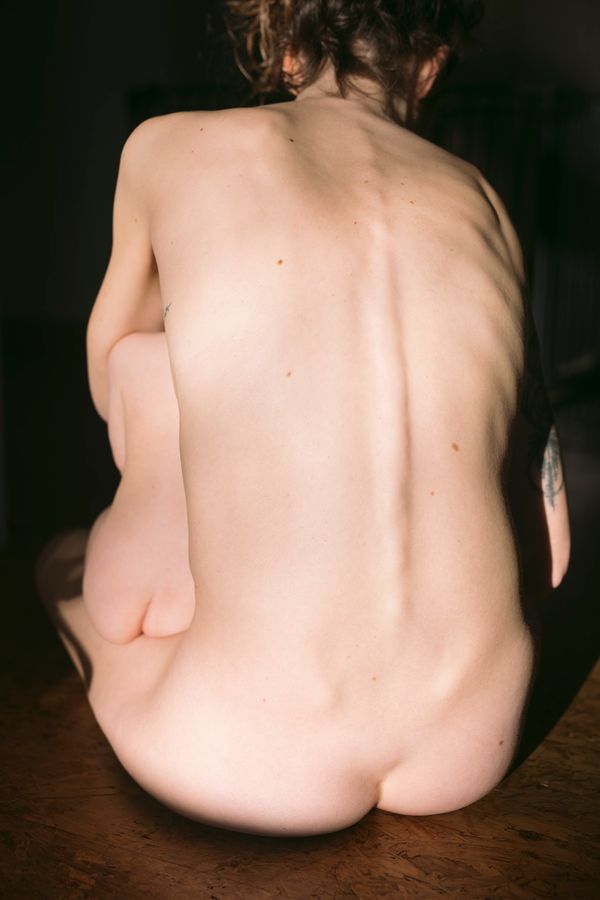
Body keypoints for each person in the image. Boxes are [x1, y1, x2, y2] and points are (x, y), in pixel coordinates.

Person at [35, 0, 570, 837]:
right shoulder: (486, 201)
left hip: (249, 758)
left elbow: (114, 381)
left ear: (282, 45)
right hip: (472, 743)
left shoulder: (163, 148)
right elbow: (552, 556)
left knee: (69, 554)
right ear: (429, 68)